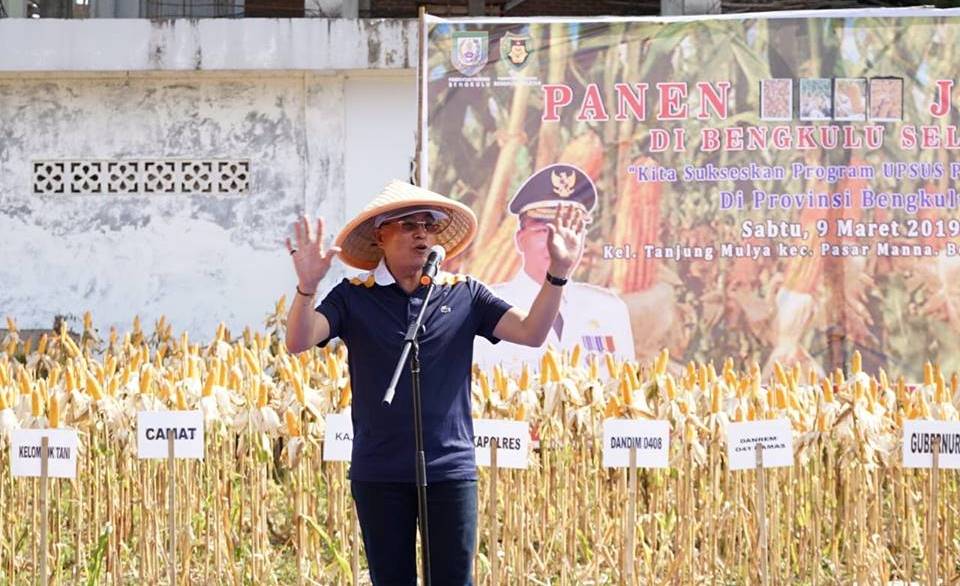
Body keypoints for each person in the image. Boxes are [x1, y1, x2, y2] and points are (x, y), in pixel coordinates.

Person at [283, 179, 585, 585]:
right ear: (381, 236)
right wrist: (307, 288)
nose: (422, 232)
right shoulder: (354, 295)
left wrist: (558, 275)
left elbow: (531, 332)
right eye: (408, 224)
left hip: (450, 470)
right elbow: (299, 340)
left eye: (429, 224)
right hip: (380, 470)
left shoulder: (465, 294)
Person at [474, 163, 635, 374]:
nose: (557, 240)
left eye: (569, 229)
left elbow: (626, 393)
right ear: (520, 239)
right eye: (543, 230)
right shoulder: (489, 308)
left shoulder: (609, 309)